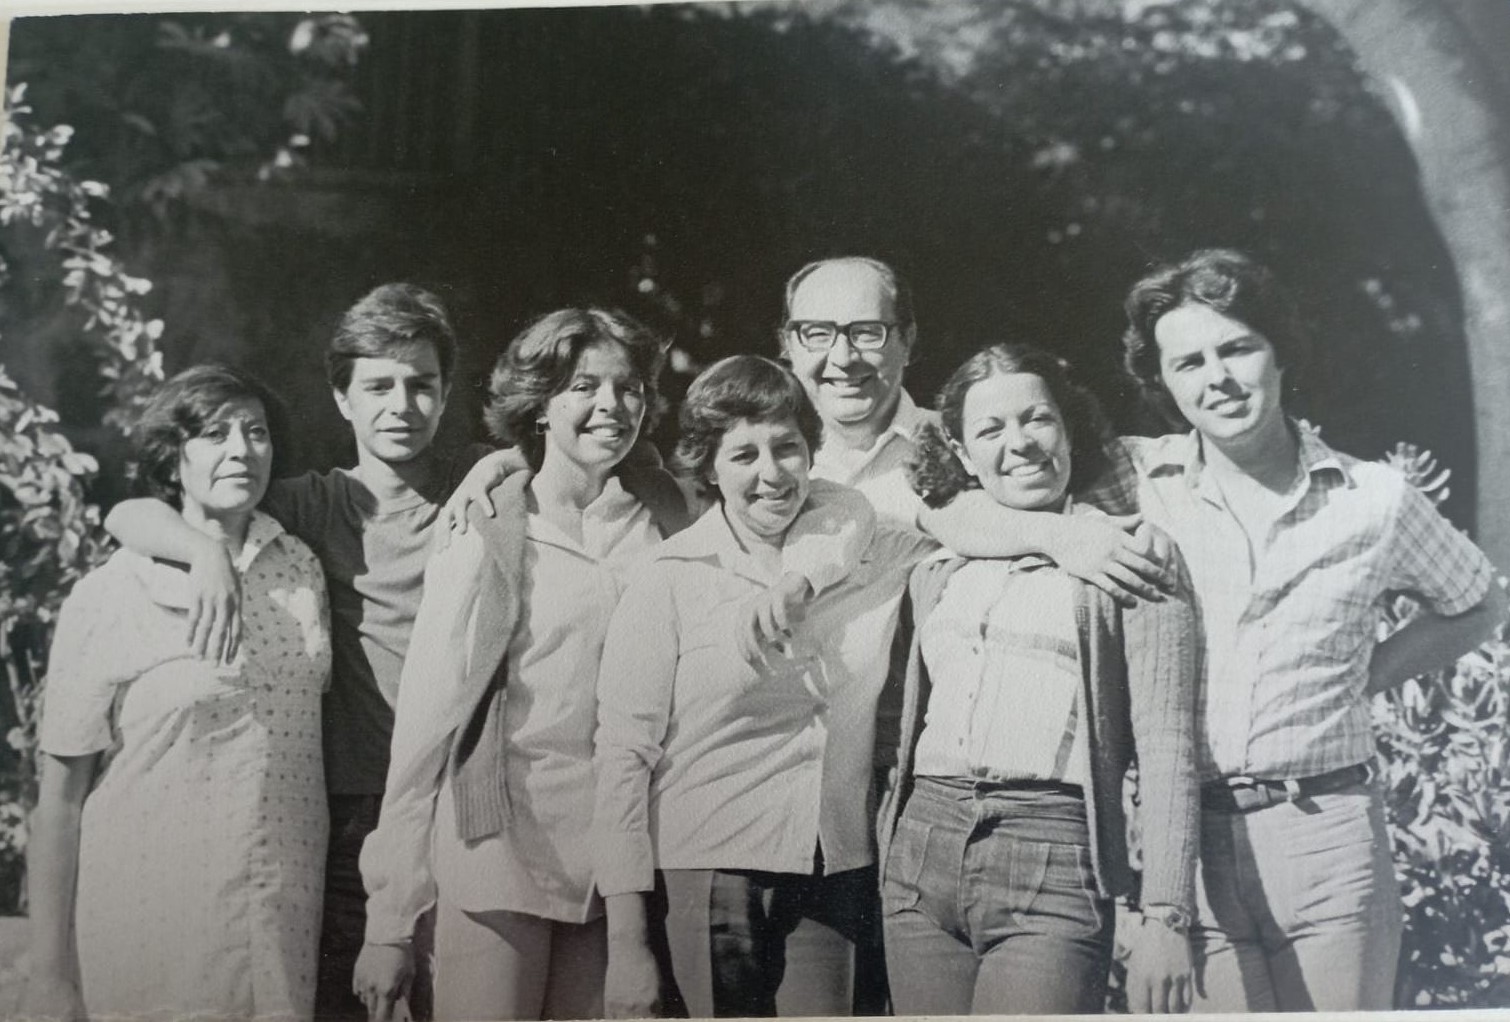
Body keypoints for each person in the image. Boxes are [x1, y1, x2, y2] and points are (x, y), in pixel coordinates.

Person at [925, 249, 1508, 1012]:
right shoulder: (1133, 478)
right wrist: (1065, 540)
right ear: (1162, 380)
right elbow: (954, 506)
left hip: (1329, 836)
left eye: (1237, 348)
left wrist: (1365, 674)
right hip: (1188, 847)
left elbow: (1478, 600)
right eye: (1189, 361)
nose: (1218, 379)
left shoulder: (1375, 498)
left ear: (1278, 354)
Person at [353, 316, 869, 1022]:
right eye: (583, 387)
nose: (612, 405)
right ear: (539, 402)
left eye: (628, 387)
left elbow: (827, 499)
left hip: (619, 869)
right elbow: (423, 733)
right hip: (497, 852)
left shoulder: (668, 512)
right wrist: (390, 919)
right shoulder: (486, 531)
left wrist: (803, 576)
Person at [778, 257, 1177, 1012]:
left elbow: (970, 509)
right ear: (788, 343)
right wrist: (499, 466)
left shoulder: (960, 441)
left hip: (899, 823)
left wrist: (1070, 538)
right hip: (762, 820)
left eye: (867, 331)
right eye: (817, 333)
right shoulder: (765, 452)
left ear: (906, 340)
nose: (843, 357)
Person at [103, 283, 486, 1019]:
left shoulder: (481, 485)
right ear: (342, 399)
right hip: (352, 813)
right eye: (378, 386)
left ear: (443, 394)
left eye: (420, 385)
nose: (400, 405)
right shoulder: (309, 503)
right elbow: (129, 511)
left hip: (462, 799)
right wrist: (201, 553)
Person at [593, 355, 940, 1019]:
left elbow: (872, 510)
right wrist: (627, 940)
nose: (772, 473)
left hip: (835, 869)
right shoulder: (669, 576)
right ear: (708, 467)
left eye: (788, 448)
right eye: (743, 454)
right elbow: (621, 760)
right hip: (709, 875)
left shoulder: (865, 553)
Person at [878, 343, 1200, 1016]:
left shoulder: (1130, 554)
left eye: (1037, 420)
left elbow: (1169, 744)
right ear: (964, 456)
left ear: (1069, 428)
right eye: (990, 430)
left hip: (1051, 847)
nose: (1019, 444)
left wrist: (1166, 916)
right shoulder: (940, 568)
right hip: (922, 846)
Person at [23, 364, 331, 1021]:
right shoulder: (111, 593)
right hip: (152, 939)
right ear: (173, 455)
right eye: (215, 434)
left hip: (279, 938)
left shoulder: (303, 569)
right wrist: (50, 977)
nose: (241, 450)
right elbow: (60, 801)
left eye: (255, 432)